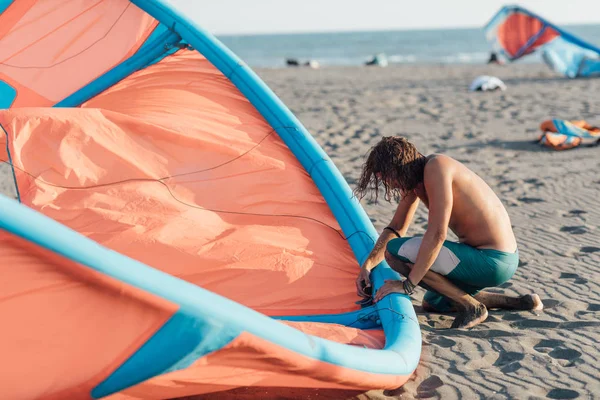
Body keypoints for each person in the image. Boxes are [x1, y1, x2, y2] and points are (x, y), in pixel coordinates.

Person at [353, 136, 543, 329]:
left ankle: (472, 307)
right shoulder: (414, 180)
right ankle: (518, 302)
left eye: (386, 176)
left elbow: (437, 234)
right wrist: (367, 266)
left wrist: (407, 286)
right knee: (434, 302)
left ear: (398, 167)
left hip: (492, 260)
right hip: (496, 258)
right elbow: (396, 228)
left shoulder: (436, 167)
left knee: (394, 252)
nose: (388, 183)